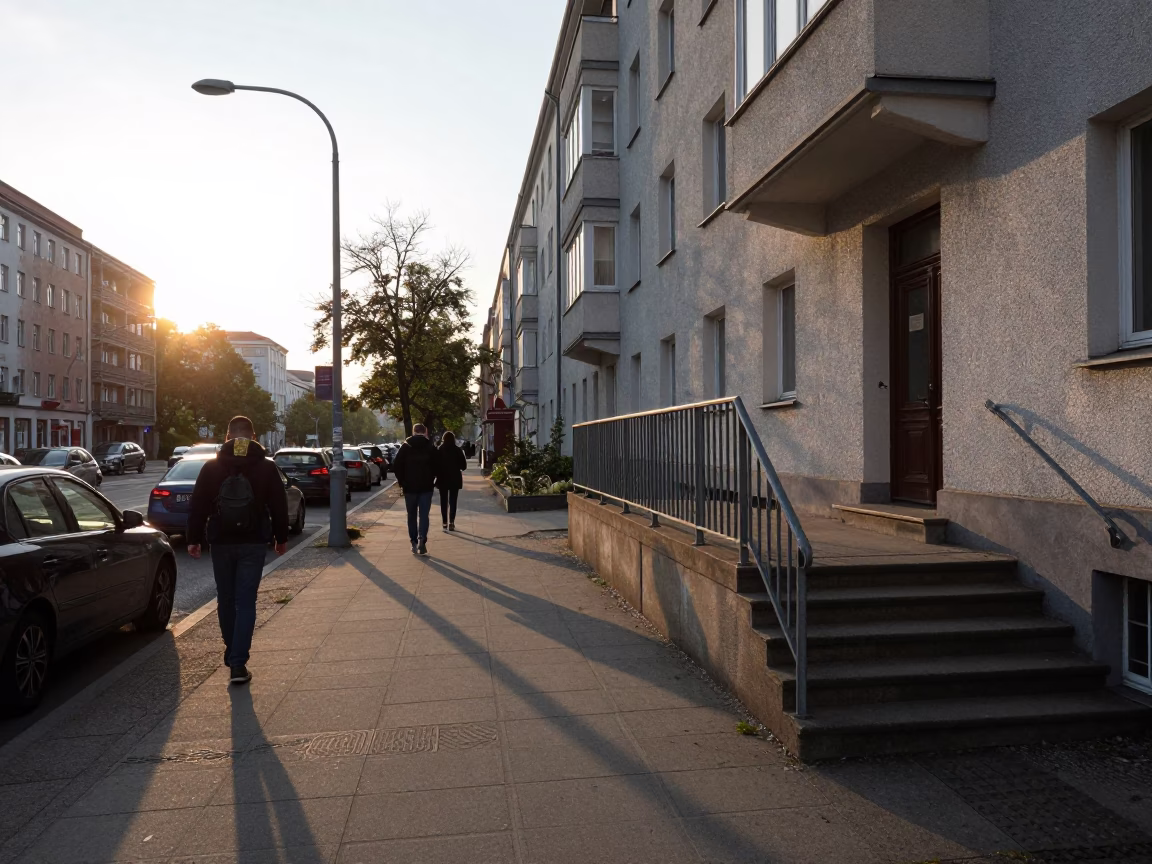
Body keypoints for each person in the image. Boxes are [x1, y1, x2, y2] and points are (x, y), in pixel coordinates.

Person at [187, 416, 289, 685]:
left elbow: (197, 504)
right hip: (254, 541)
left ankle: (231, 650)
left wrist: (193, 538)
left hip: (220, 540)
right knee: (246, 601)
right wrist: (281, 537)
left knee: (226, 598)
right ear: (253, 437)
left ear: (227, 436)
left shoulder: (211, 467)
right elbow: (279, 504)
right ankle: (238, 663)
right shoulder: (267, 467)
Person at [393, 423, 437, 555]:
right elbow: (437, 464)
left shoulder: (405, 447)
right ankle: (422, 540)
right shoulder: (430, 446)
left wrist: (402, 482)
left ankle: (413, 542)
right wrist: (433, 479)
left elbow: (397, 465)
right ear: (425, 432)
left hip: (409, 488)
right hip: (426, 487)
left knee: (411, 515)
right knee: (424, 515)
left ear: (413, 431)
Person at [435, 431, 467, 532]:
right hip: (454, 478)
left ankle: (444, 522)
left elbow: (434, 465)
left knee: (443, 501)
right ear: (453, 439)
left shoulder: (439, 450)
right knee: (453, 501)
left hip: (442, 478)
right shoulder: (458, 450)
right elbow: (464, 466)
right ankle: (452, 522)